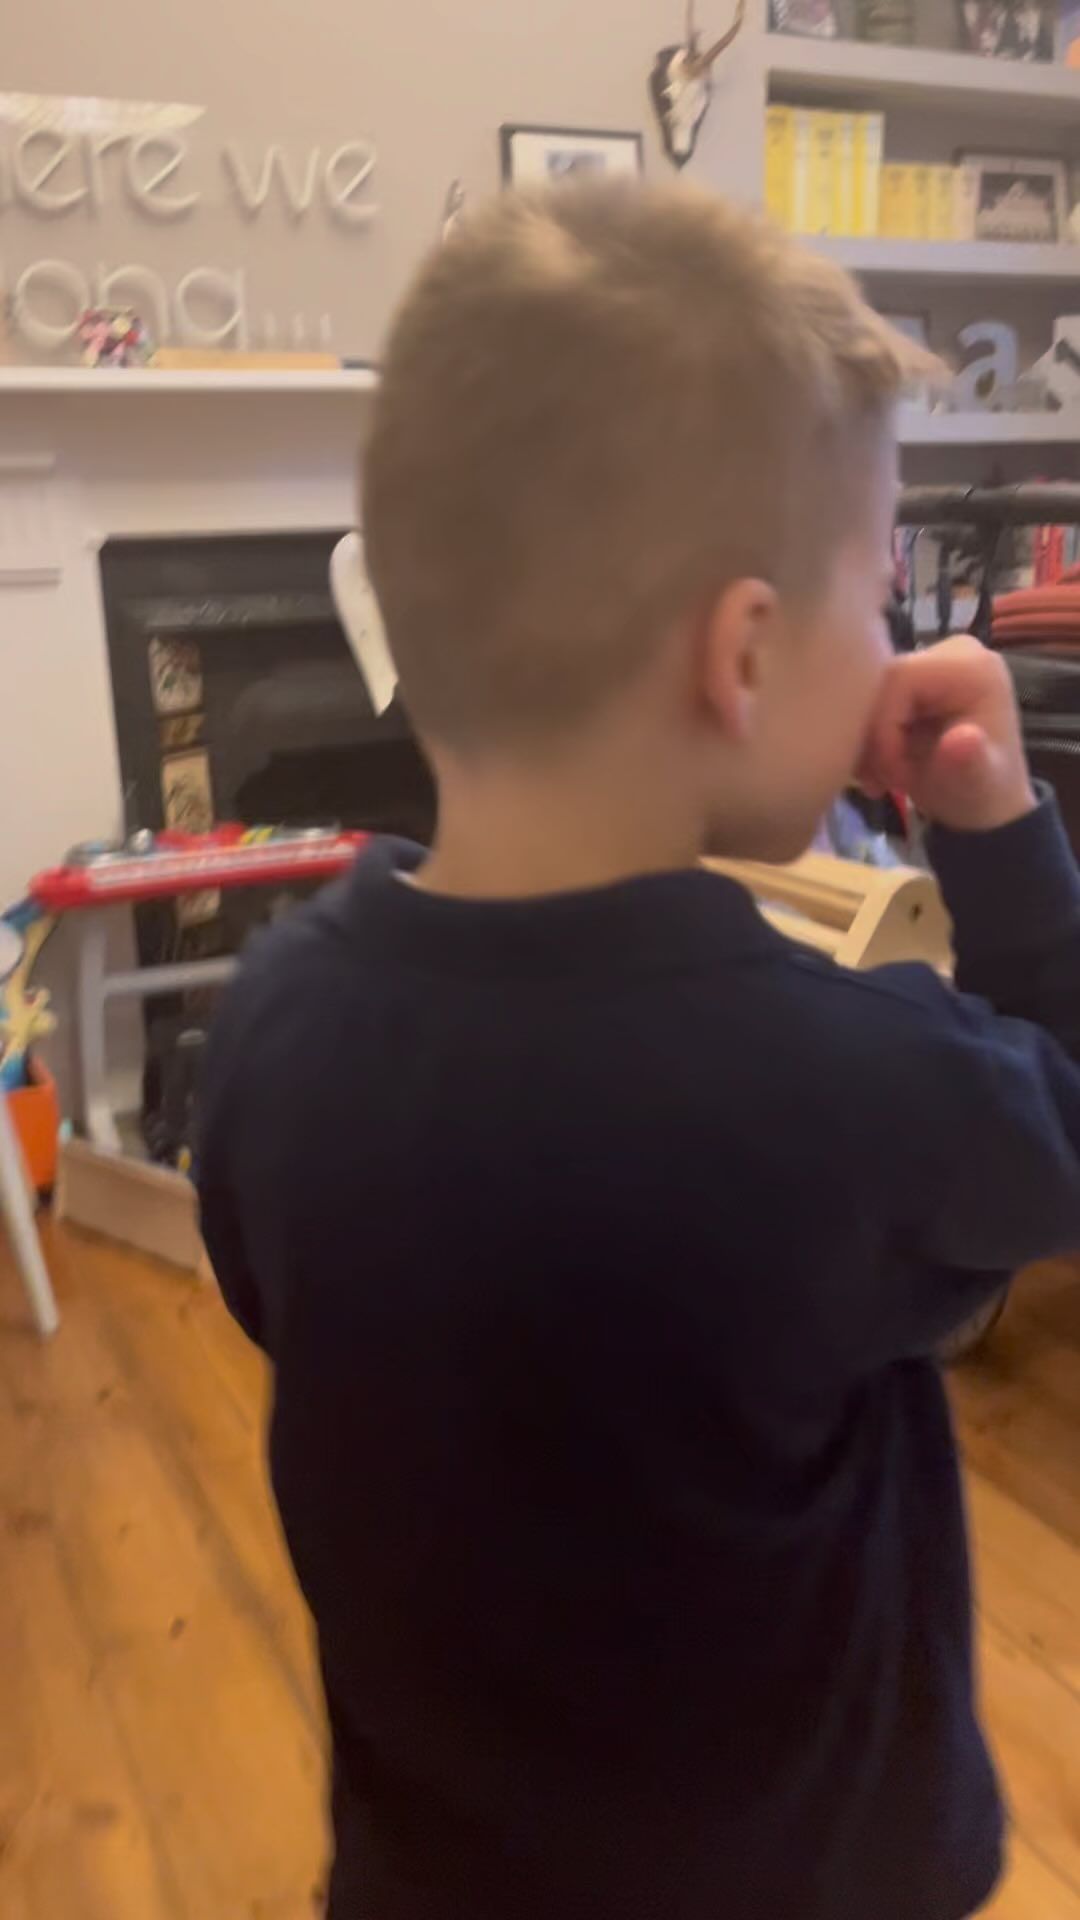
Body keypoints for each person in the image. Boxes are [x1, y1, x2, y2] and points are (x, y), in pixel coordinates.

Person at [198, 183, 1080, 1920]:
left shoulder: (272, 1023)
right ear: (742, 653)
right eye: (880, 594)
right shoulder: (842, 1079)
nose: (896, 645)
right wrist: (999, 834)